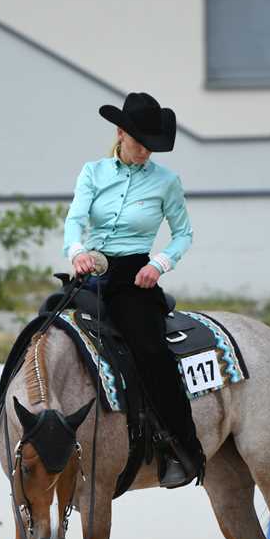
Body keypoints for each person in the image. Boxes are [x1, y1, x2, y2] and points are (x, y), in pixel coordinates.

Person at [63, 91, 206, 488]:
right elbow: (75, 220)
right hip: (90, 272)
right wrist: (76, 251)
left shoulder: (166, 182)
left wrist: (159, 264)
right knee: (46, 330)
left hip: (134, 278)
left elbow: (183, 234)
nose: (145, 151)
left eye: (151, 145)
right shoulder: (93, 172)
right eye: (140, 142)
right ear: (120, 133)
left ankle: (178, 446)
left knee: (150, 351)